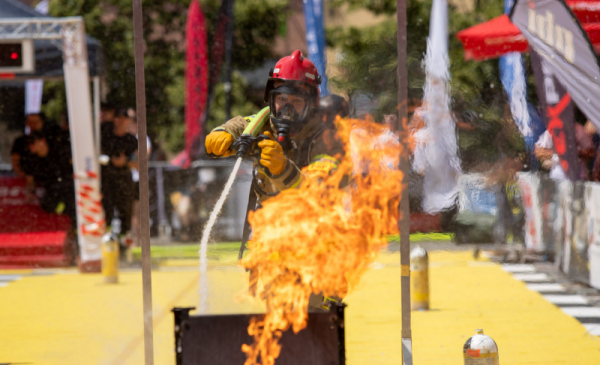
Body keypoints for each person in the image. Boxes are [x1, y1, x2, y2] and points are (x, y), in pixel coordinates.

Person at [204, 50, 345, 311]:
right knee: (276, 320)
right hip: (272, 240)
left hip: (317, 243)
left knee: (313, 319)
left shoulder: (327, 138)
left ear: (312, 101)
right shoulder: (264, 123)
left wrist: (282, 169)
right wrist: (223, 132)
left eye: (296, 100)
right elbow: (243, 123)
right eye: (281, 98)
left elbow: (316, 193)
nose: (287, 108)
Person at [101, 108, 138, 238]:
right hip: (107, 180)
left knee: (125, 213)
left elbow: (140, 164)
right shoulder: (105, 137)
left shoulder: (132, 140)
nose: (120, 122)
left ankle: (124, 242)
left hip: (124, 180)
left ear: (128, 121)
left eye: (123, 119)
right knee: (106, 212)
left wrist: (125, 162)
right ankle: (107, 240)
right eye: (118, 118)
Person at [27, 130, 75, 223]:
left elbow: (74, 164)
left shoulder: (59, 151)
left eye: (33, 142)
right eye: (29, 144)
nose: (31, 146)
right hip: (52, 191)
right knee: (46, 204)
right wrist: (30, 192)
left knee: (69, 198)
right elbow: (30, 180)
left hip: (68, 187)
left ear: (42, 141)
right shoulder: (33, 160)